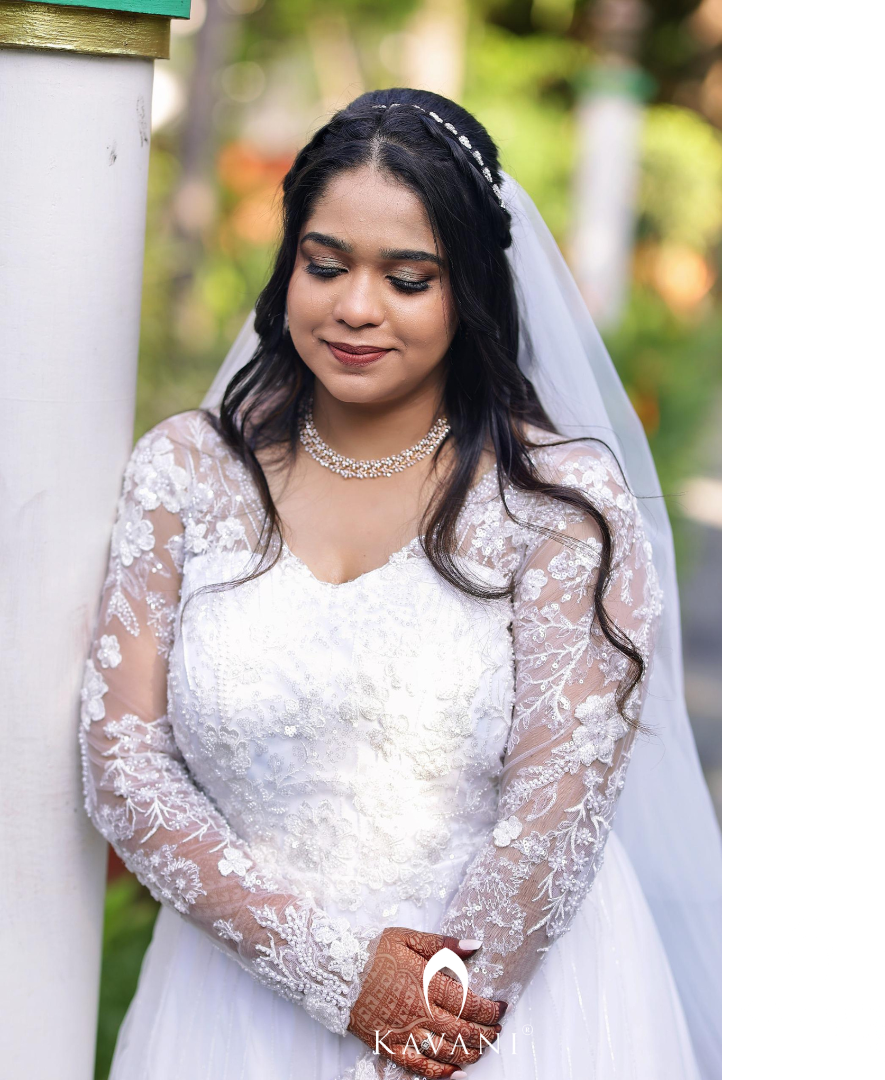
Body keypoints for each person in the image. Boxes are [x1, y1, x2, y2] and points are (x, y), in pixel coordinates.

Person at [79, 88, 720, 1080]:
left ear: (469, 290)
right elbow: (123, 761)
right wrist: (338, 979)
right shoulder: (184, 474)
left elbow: (562, 797)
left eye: (407, 278)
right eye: (323, 264)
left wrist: (433, 1018)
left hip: (506, 1014)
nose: (355, 307)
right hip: (234, 1006)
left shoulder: (554, 501)